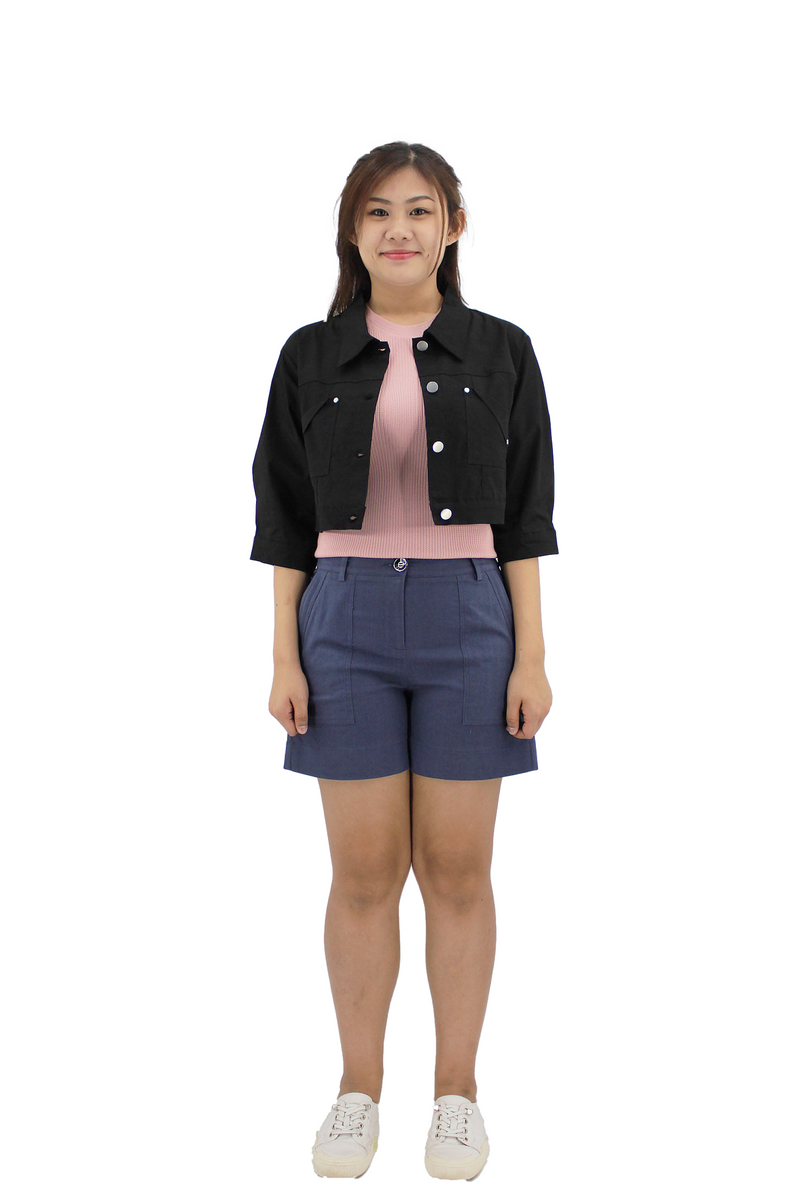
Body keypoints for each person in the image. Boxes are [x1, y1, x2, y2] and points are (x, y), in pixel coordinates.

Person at [249, 141, 559, 1181]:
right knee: (363, 872)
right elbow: (283, 518)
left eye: (420, 210)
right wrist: (283, 653)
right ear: (352, 231)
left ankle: (457, 1097)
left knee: (459, 872)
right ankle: (357, 1091)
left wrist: (531, 655)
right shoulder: (308, 355)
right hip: (341, 621)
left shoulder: (502, 350)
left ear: (452, 228)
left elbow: (526, 518)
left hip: (470, 617)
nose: (398, 229)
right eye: (377, 211)